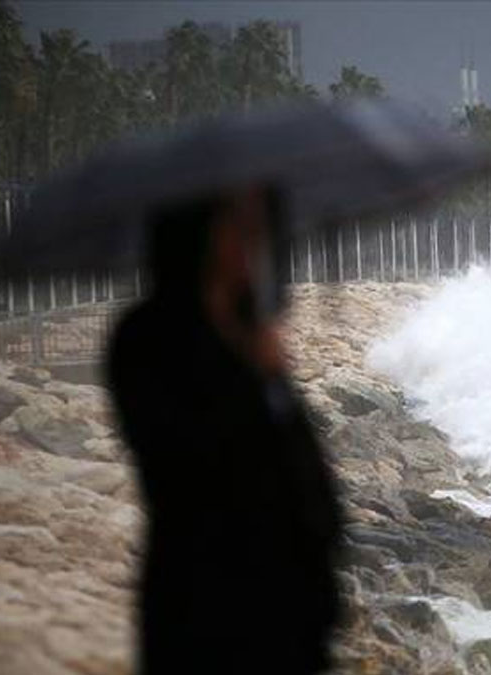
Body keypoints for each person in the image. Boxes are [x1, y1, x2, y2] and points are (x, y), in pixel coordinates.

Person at [106, 185, 343, 674]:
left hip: (287, 611)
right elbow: (187, 464)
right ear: (196, 232)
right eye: (238, 225)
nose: (253, 242)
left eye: (258, 228)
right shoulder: (147, 338)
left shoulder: (250, 329)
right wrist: (254, 370)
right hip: (205, 603)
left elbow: (302, 468)